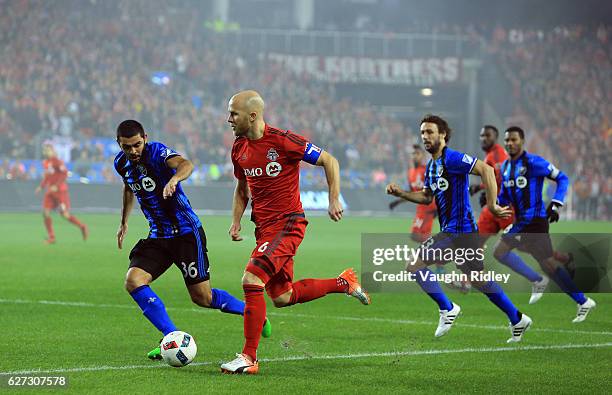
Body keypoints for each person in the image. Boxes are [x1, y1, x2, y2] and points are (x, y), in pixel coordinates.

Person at [220, 91, 370, 375]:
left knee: (252, 279)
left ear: (252, 115)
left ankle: (249, 357)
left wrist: (333, 198)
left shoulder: (283, 140)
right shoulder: (238, 147)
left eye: (233, 114)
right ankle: (343, 283)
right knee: (282, 296)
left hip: (288, 223)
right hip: (264, 229)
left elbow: (330, 160)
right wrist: (236, 221)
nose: (228, 119)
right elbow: (242, 188)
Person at [113, 120, 271, 360]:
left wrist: (175, 179)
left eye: (137, 145)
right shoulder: (121, 163)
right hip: (159, 236)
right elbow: (128, 187)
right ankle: (171, 338)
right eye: (127, 147)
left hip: (187, 233)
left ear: (145, 137)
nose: (133, 151)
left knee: (202, 298)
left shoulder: (157, 152)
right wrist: (124, 221)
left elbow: (186, 164)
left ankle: (253, 312)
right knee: (133, 281)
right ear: (119, 145)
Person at [386, 114, 531, 343]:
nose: (425, 136)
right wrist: (401, 193)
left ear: (442, 134)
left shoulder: (452, 158)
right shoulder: (432, 167)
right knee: (478, 280)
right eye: (423, 132)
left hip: (459, 231)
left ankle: (447, 308)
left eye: (430, 132)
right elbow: (426, 197)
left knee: (414, 265)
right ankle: (517, 318)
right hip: (462, 233)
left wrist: (492, 205)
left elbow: (487, 170)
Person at [493, 126, 596, 321]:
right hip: (521, 222)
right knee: (548, 264)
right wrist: (496, 204)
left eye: (514, 139)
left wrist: (556, 204)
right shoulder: (506, 167)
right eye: (507, 140)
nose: (510, 143)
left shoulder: (534, 162)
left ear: (522, 141)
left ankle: (541, 281)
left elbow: (562, 178)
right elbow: (505, 195)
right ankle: (581, 300)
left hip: (535, 221)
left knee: (500, 251)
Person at [35, 143, 88, 244]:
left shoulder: (57, 162)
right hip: (50, 192)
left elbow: (64, 174)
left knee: (65, 215)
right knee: (45, 213)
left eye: (48, 150)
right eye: (45, 150)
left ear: (53, 151)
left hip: (60, 192)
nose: (46, 152)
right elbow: (47, 176)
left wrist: (57, 185)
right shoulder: (45, 162)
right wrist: (41, 187)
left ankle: (82, 227)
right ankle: (52, 237)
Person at [389, 145, 437, 243]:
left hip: (429, 208)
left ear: (423, 156)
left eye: (417, 153)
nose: (415, 156)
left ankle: (438, 249)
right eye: (413, 154)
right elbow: (411, 193)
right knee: (420, 237)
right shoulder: (410, 173)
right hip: (421, 208)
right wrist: (397, 202)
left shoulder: (426, 171)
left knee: (416, 235)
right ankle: (434, 251)